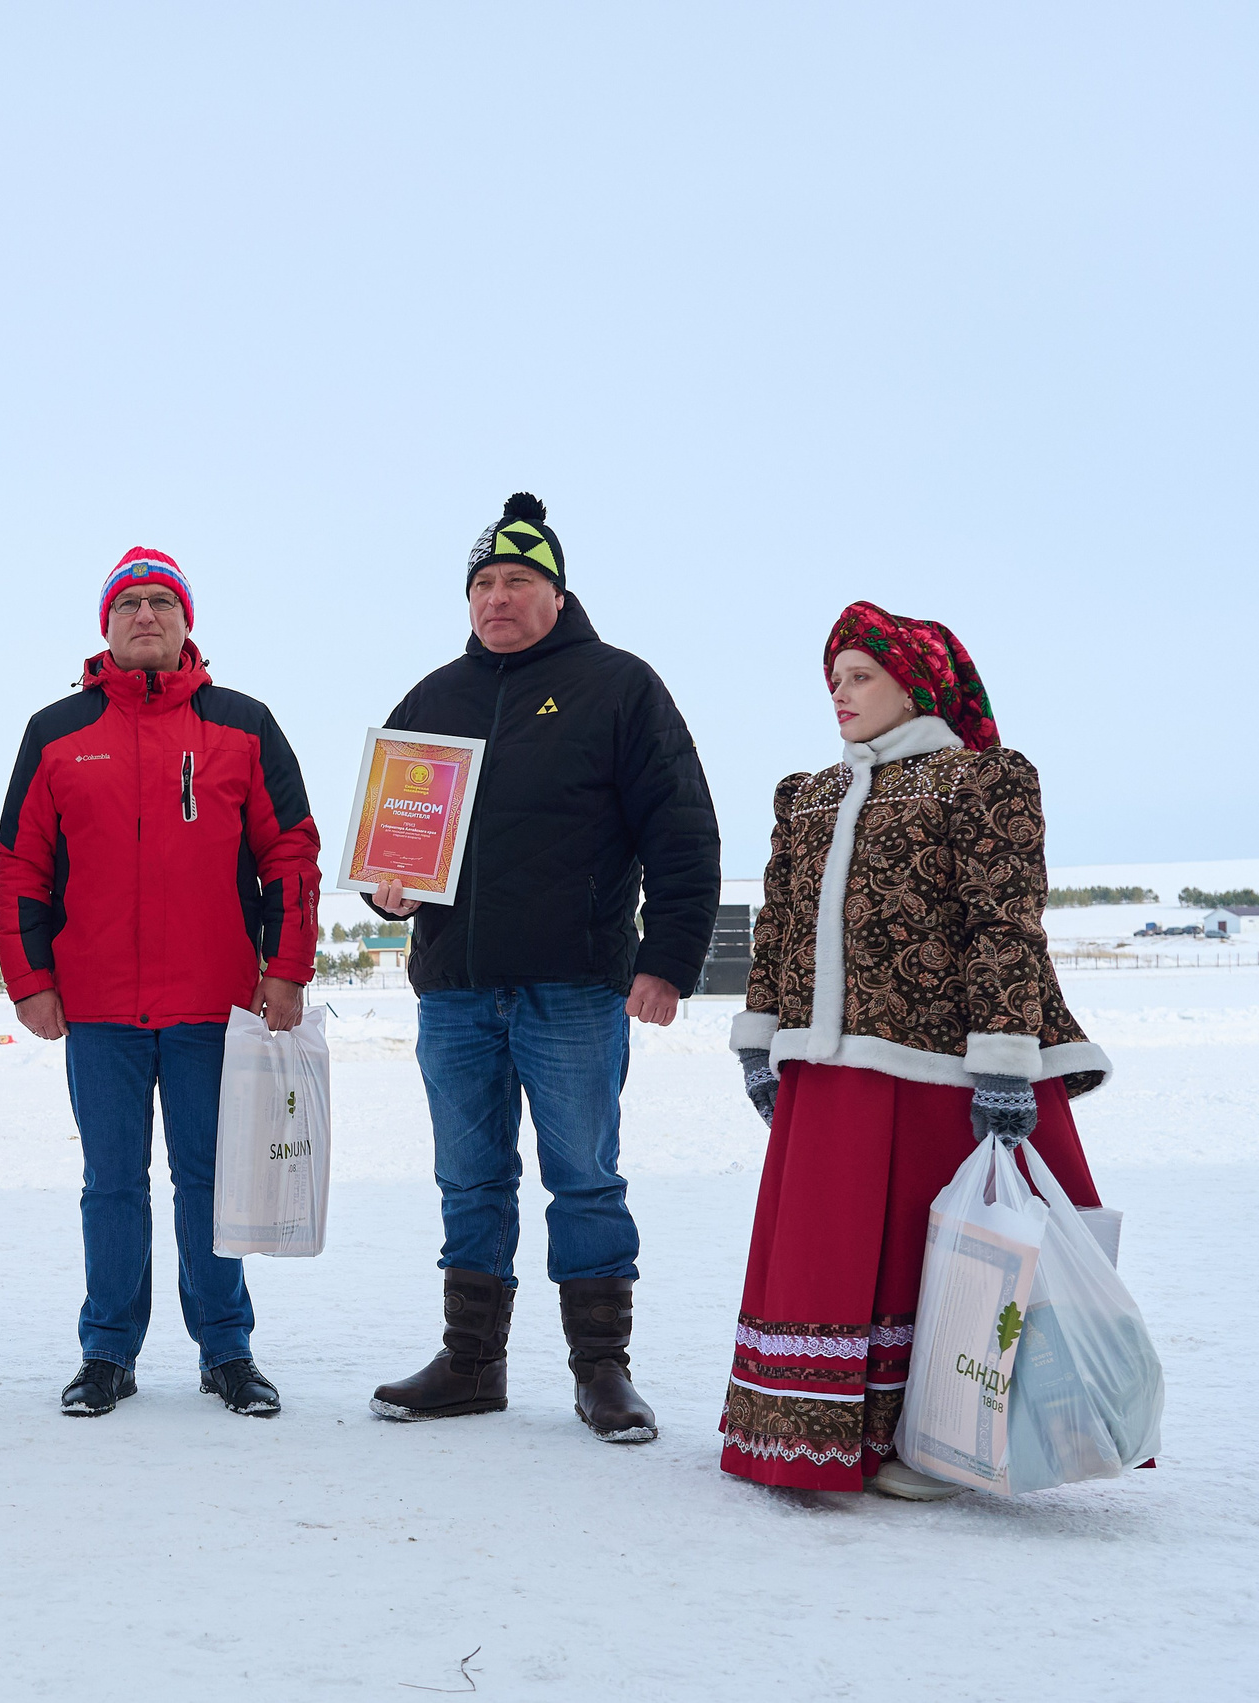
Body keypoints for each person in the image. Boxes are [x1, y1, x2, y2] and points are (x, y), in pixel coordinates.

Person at [720, 603, 1112, 1500]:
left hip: (942, 1074)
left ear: (915, 683)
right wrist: (760, 1040)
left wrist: (1005, 1062)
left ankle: (941, 1438)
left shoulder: (981, 782)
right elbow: (778, 930)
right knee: (831, 1253)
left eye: (860, 677)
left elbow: (1002, 924)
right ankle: (824, 1440)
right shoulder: (808, 796)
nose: (841, 695)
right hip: (830, 1074)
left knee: (932, 1258)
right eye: (835, 681)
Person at [363, 494, 719, 1442]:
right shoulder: (433, 698)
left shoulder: (619, 686)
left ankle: (602, 1370)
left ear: (556, 592)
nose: (498, 597)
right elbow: (392, 837)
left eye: (518, 580)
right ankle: (471, 1360)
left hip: (574, 986)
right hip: (458, 988)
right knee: (470, 1181)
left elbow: (681, 829)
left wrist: (669, 960)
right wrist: (386, 891)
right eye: (482, 583)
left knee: (585, 1179)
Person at [0, 547, 321, 1419]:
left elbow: (289, 851)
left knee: (211, 1179)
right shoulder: (56, 732)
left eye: (161, 603)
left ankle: (227, 1349)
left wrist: (285, 968)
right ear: (105, 625)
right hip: (97, 1004)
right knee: (111, 1181)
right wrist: (30, 979)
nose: (146, 615)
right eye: (129, 602)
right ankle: (107, 1352)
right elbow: (20, 865)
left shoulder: (243, 725)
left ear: (186, 624)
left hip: (213, 1006)